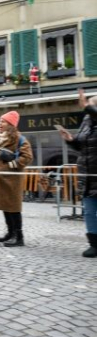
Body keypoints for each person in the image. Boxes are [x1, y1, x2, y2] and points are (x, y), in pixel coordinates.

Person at [0, 110, 33, 247]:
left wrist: (12, 163)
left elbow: (27, 157)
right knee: (5, 206)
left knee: (13, 208)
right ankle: (10, 233)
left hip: (11, 179)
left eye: (3, 121)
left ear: (11, 124)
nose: (0, 123)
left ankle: (19, 237)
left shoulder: (19, 139)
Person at [58, 89, 97, 257]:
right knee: (89, 211)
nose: (87, 108)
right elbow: (81, 146)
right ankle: (94, 244)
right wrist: (71, 140)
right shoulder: (87, 121)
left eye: (91, 106)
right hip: (87, 175)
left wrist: (88, 107)